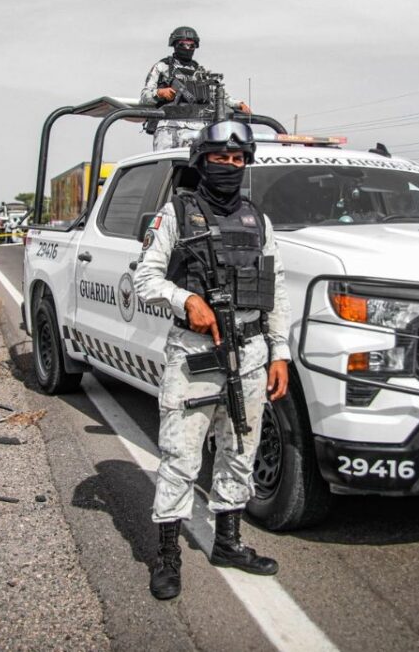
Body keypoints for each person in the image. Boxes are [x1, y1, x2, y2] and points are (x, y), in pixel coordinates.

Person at [133, 121, 291, 600]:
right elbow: (145, 278)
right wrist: (186, 300)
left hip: (250, 352)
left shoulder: (256, 219)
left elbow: (276, 289)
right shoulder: (176, 213)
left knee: (240, 450)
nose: (228, 166)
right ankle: (167, 555)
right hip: (195, 353)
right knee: (181, 457)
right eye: (219, 158)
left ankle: (228, 542)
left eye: (237, 159)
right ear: (202, 161)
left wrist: (279, 352)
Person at [140, 26, 250, 151]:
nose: (187, 48)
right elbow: (145, 96)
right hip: (169, 126)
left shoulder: (200, 72)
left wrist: (238, 104)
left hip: (198, 127)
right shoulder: (162, 67)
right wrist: (160, 93)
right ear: (175, 45)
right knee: (166, 165)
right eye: (183, 44)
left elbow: (217, 95)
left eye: (191, 45)